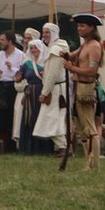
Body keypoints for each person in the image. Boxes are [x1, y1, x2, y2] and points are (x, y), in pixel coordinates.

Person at [63, 13, 104, 170]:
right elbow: (73, 56)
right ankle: (88, 161)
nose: (79, 28)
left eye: (82, 26)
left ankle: (94, 163)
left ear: (91, 28)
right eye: (78, 26)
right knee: (81, 129)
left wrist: (71, 68)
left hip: (87, 89)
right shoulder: (85, 45)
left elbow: (92, 71)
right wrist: (65, 55)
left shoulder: (94, 46)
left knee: (90, 128)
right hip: (78, 88)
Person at [32, 23, 69, 157]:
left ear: (53, 33)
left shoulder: (55, 50)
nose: (44, 35)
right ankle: (60, 147)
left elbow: (52, 75)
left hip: (56, 90)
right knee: (54, 118)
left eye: (47, 32)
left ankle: (63, 146)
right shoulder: (54, 48)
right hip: (57, 88)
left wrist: (44, 93)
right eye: (43, 32)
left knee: (51, 118)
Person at [15, 39, 53, 155]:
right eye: (31, 48)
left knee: (41, 119)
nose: (33, 50)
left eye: (35, 48)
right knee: (29, 119)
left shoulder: (46, 63)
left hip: (42, 93)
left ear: (40, 49)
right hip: (30, 94)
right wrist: (17, 75)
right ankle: (28, 149)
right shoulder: (27, 64)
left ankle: (43, 149)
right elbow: (18, 78)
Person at [0, 31, 25, 152]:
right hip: (0, 87)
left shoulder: (20, 55)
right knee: (0, 117)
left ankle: (13, 146)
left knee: (12, 116)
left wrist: (12, 69)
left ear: (10, 41)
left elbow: (22, 73)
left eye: (2, 40)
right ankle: (2, 146)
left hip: (13, 87)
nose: (0, 42)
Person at [12, 28, 39, 149]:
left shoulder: (38, 57)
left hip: (31, 92)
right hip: (21, 92)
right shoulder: (24, 56)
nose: (26, 41)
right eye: (25, 38)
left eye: (29, 38)